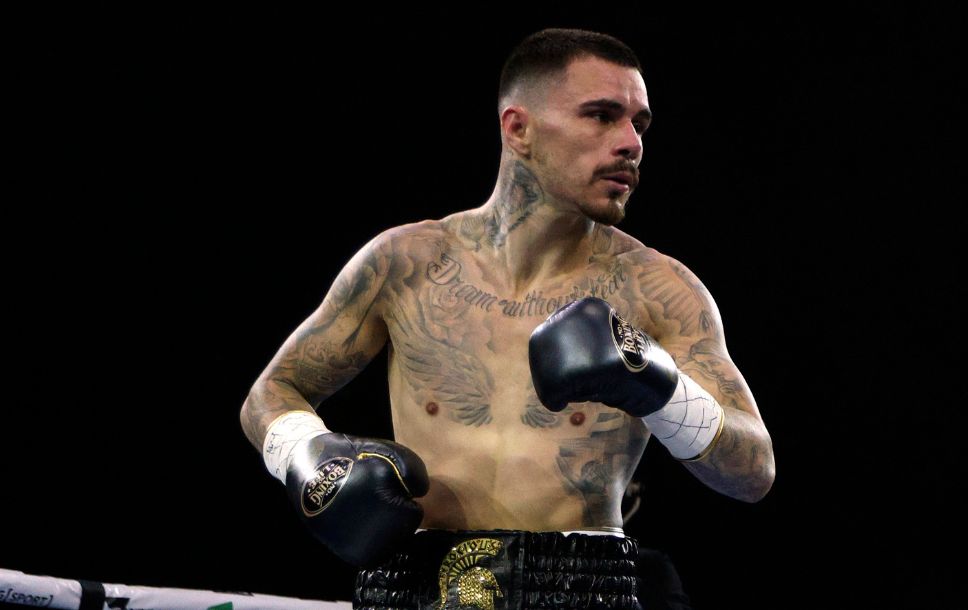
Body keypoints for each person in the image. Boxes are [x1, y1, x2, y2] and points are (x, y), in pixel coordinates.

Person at [240, 27, 774, 610]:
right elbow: (272, 393)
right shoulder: (405, 264)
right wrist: (310, 456)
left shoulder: (656, 289)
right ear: (518, 129)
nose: (630, 143)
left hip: (579, 585)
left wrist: (658, 384)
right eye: (601, 115)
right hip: (410, 585)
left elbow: (753, 470)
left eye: (639, 125)